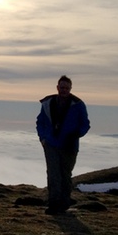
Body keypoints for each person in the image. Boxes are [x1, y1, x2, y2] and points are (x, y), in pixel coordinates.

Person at [36, 75, 91, 214]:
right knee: (53, 174)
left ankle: (64, 204)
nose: (64, 90)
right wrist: (43, 138)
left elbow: (85, 124)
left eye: (66, 88)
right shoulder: (48, 103)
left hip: (70, 146)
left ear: (70, 88)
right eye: (62, 87)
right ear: (57, 87)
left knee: (65, 175)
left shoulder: (78, 104)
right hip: (51, 144)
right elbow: (40, 122)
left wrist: (76, 135)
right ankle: (54, 204)